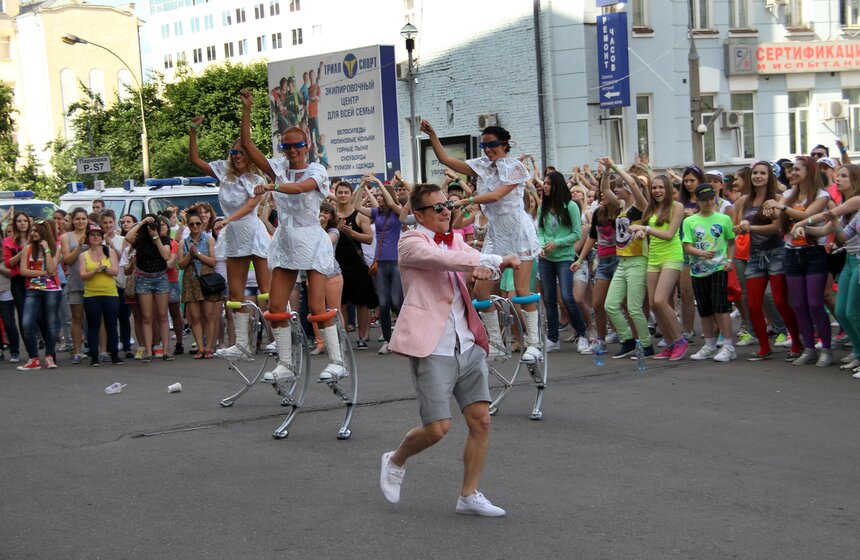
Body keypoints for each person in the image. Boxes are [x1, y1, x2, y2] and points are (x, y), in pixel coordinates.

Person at [379, 182, 519, 516]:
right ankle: (395, 459)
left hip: (467, 342)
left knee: (481, 421)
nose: (446, 212)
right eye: (438, 207)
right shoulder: (410, 241)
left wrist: (486, 269)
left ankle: (468, 496)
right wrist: (490, 258)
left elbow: (468, 264)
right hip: (434, 345)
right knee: (437, 429)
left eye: (449, 206)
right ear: (419, 214)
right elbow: (443, 260)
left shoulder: (457, 240)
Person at [240, 90, 344, 382]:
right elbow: (247, 145)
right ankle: (286, 363)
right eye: (286, 146)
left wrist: (272, 187)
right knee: (276, 306)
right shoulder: (278, 168)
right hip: (287, 240)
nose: (292, 150)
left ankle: (337, 360)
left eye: (297, 145)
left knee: (317, 307)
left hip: (311, 239)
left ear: (307, 145)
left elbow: (301, 188)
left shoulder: (317, 170)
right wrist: (247, 109)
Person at [421, 120, 541, 362]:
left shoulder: (515, 167)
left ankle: (533, 343)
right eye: (484, 145)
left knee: (521, 290)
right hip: (495, 234)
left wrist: (467, 201)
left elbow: (496, 195)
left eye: (492, 144)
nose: (487, 150)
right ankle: (495, 343)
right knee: (481, 290)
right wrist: (433, 134)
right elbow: (446, 160)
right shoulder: (482, 166)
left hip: (518, 232)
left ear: (504, 144)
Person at [188, 116, 271, 360]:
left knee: (265, 291)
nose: (238, 157)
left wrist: (227, 220)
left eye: (242, 153)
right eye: (234, 153)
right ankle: (242, 343)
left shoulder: (256, 180)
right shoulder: (223, 173)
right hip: (234, 235)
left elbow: (250, 206)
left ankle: (275, 338)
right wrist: (193, 132)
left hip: (251, 231)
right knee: (235, 294)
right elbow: (195, 159)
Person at [764, 155, 832, 366]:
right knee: (799, 305)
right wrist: (770, 210)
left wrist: (781, 207)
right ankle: (809, 349)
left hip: (814, 252)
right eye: (791, 169)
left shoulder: (822, 196)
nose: (792, 173)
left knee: (815, 303)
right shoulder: (788, 195)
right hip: (792, 253)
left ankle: (826, 350)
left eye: (797, 170)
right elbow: (777, 220)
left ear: (809, 172)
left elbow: (807, 216)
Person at [794, 163, 860, 374]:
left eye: (843, 176)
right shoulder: (845, 208)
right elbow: (829, 232)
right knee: (841, 311)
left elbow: (827, 215)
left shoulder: (856, 201)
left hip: (858, 261)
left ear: (856, 180)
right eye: (837, 175)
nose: (837, 179)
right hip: (849, 260)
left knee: (852, 312)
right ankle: (857, 353)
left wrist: (801, 222)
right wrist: (803, 228)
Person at [732, 161, 802, 361]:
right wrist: (740, 228)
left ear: (770, 176)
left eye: (762, 173)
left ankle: (796, 343)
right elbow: (736, 228)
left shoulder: (778, 198)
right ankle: (764, 348)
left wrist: (750, 227)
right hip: (754, 256)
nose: (757, 176)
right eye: (755, 173)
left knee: (779, 300)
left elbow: (776, 228)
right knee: (754, 305)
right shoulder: (743, 201)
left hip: (776, 253)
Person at [630, 174, 688, 360]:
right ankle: (670, 344)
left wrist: (645, 229)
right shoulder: (651, 207)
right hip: (653, 257)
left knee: (661, 300)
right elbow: (647, 233)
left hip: (671, 256)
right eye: (654, 187)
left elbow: (670, 234)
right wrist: (641, 234)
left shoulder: (677, 207)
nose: (657, 191)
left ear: (668, 189)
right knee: (654, 304)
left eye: (661, 187)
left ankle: (680, 340)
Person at [600, 157, 654, 358]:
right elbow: (605, 189)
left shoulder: (641, 206)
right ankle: (628, 340)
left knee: (633, 307)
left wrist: (615, 166)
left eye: (619, 187)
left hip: (638, 261)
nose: (616, 190)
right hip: (622, 262)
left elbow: (632, 182)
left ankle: (646, 345)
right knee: (610, 305)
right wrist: (607, 171)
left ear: (629, 190)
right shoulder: (622, 205)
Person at [683, 184, 737, 362]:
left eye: (711, 198)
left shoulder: (723, 219)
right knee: (704, 309)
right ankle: (709, 344)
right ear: (697, 200)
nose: (708, 202)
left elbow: (731, 241)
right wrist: (701, 253)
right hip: (698, 270)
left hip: (718, 268)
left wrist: (730, 261)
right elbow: (687, 246)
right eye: (704, 199)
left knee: (720, 307)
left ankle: (728, 346)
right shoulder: (690, 221)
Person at [537, 170, 587, 352]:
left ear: (557, 185)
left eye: (548, 183)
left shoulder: (571, 206)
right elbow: (540, 231)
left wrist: (556, 243)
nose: (545, 186)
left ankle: (582, 334)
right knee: (549, 299)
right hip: (546, 259)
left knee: (567, 296)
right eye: (544, 183)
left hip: (565, 257)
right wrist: (541, 246)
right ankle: (553, 338)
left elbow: (576, 234)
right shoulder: (543, 208)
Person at [354, 176, 404, 355]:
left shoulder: (397, 213)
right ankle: (388, 340)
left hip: (396, 262)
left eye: (382, 196)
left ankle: (404, 337)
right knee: (383, 303)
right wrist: (362, 186)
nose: (379, 198)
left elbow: (391, 202)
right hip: (380, 263)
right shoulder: (377, 214)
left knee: (397, 302)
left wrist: (380, 183)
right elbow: (357, 206)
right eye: (379, 196)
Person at [333, 180, 377, 349]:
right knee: (341, 302)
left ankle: (362, 337)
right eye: (340, 192)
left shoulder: (360, 215)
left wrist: (352, 233)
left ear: (351, 195)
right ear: (335, 194)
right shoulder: (332, 216)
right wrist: (335, 230)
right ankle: (343, 337)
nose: (343, 195)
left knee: (362, 302)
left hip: (357, 263)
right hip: (336, 264)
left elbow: (369, 238)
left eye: (346, 192)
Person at [126, 214, 173, 363]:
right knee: (147, 317)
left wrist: (155, 236)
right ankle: (148, 351)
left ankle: (165, 350)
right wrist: (141, 223)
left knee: (162, 315)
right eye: (149, 225)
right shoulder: (139, 240)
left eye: (154, 224)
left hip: (160, 278)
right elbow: (128, 237)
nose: (151, 227)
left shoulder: (164, 239)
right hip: (144, 279)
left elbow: (166, 256)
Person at [17, 219, 62, 370]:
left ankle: (50, 356)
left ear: (44, 232)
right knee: (27, 323)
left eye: (36, 230)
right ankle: (33, 358)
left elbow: (52, 269)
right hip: (33, 289)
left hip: (52, 290)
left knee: (51, 323)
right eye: (32, 230)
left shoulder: (56, 248)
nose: (33, 233)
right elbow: (24, 271)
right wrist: (44, 272)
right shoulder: (27, 248)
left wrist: (47, 250)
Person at [178, 210, 220, 359]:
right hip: (191, 280)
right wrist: (190, 254)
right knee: (195, 317)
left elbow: (213, 261)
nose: (195, 226)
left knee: (208, 315)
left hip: (207, 279)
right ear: (188, 226)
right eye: (192, 224)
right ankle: (200, 348)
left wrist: (198, 254)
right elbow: (180, 265)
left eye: (197, 223)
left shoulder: (209, 240)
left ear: (202, 224)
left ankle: (209, 348)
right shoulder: (183, 242)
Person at [79, 223, 122, 366]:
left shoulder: (110, 252)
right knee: (93, 325)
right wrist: (94, 271)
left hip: (110, 293)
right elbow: (83, 275)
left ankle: (114, 354)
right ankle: (94, 356)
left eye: (98, 235)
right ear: (88, 238)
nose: (95, 237)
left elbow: (115, 271)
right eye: (92, 235)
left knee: (111, 324)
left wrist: (104, 268)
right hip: (91, 295)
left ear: (102, 237)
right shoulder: (83, 255)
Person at [60, 208, 90, 364]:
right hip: (75, 282)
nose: (80, 221)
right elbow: (67, 260)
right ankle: (77, 351)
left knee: (94, 319)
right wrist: (79, 246)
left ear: (87, 220)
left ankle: (96, 349)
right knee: (76, 319)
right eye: (77, 219)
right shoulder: (66, 237)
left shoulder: (93, 234)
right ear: (72, 220)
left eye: (83, 218)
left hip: (93, 282)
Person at [3, 211, 30, 361]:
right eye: (19, 221)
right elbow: (8, 263)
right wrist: (22, 253)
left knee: (36, 317)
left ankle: (42, 351)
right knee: (19, 317)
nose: (22, 223)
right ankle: (20, 351)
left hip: (33, 279)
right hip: (15, 281)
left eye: (25, 221)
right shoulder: (8, 241)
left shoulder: (34, 238)